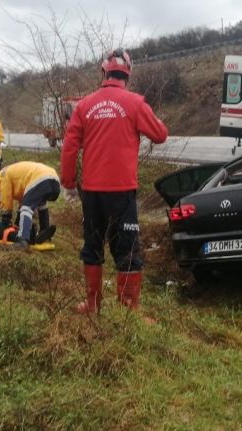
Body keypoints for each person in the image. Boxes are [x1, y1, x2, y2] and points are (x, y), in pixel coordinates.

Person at [61, 48, 168, 315]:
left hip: (92, 193)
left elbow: (70, 146)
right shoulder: (135, 103)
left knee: (92, 247)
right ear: (127, 75)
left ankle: (92, 305)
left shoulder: (84, 105)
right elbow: (160, 135)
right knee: (128, 250)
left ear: (103, 72)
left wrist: (69, 182)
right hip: (122, 192)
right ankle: (128, 311)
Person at [0, 161, 60, 249]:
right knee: (41, 203)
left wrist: (6, 219)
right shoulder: (12, 173)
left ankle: (23, 240)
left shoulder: (3, 176)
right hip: (54, 179)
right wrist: (17, 223)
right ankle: (44, 231)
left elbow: (6, 198)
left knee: (26, 208)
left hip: (40, 177)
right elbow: (23, 199)